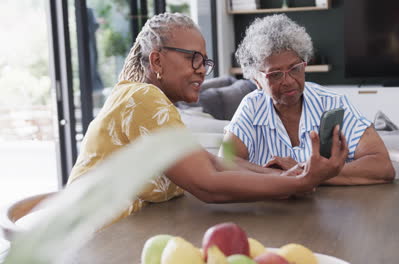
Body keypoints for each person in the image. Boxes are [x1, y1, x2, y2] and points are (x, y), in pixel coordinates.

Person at [68, 13, 348, 222]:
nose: (203, 70)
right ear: (156, 62)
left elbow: (213, 161)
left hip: (124, 236)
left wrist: (291, 176)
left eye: (204, 60)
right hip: (98, 245)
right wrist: (300, 182)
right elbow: (208, 183)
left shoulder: (149, 104)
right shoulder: (142, 99)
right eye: (193, 58)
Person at [223, 14, 395, 185]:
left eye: (295, 68)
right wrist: (282, 175)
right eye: (275, 75)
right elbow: (224, 164)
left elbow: (383, 166)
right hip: (273, 209)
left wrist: (307, 172)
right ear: (256, 80)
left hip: (335, 209)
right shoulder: (251, 107)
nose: (289, 81)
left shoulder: (332, 103)